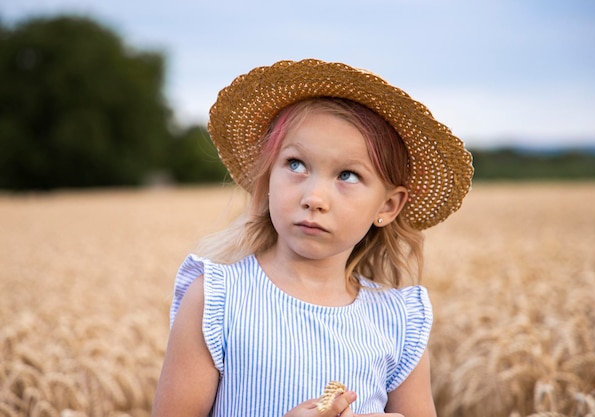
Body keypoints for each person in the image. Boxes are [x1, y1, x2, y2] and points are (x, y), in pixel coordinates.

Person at [152, 59, 473, 417]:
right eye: (295, 165)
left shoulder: (398, 321)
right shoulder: (217, 300)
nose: (314, 198)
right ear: (267, 177)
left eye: (348, 175)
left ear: (388, 205)